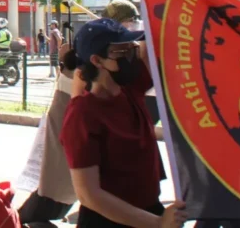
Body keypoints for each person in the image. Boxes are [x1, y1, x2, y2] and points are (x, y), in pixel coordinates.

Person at [60, 18, 186, 228]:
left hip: (149, 212)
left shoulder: (130, 91)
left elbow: (153, 46)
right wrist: (157, 223)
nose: (131, 55)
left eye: (131, 48)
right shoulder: (82, 115)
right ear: (97, 60)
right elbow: (89, 195)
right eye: (121, 51)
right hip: (109, 222)